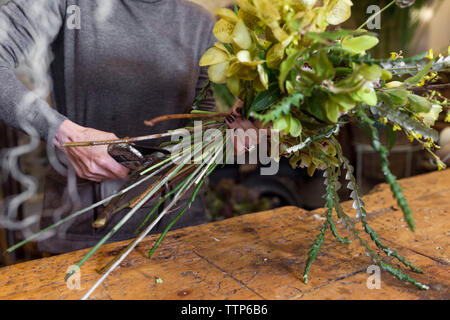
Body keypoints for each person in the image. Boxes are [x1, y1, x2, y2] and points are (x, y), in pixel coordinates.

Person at [0, 0, 259, 254]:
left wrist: (230, 135)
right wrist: (65, 134)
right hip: (84, 232)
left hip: (178, 228)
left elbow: (198, 125)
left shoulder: (199, 22)